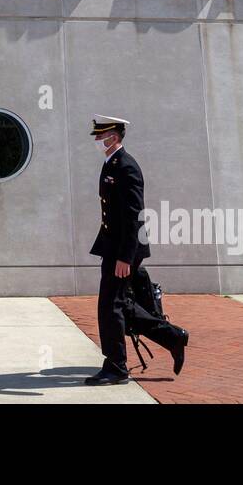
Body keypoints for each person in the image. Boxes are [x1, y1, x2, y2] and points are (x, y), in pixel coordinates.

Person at [85, 115, 190, 386]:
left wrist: (125, 257)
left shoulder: (126, 167)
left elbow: (134, 217)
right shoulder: (112, 163)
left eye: (101, 136)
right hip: (114, 246)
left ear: (114, 137)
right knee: (120, 306)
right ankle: (172, 337)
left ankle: (117, 367)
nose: (97, 140)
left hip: (123, 249)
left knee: (111, 307)